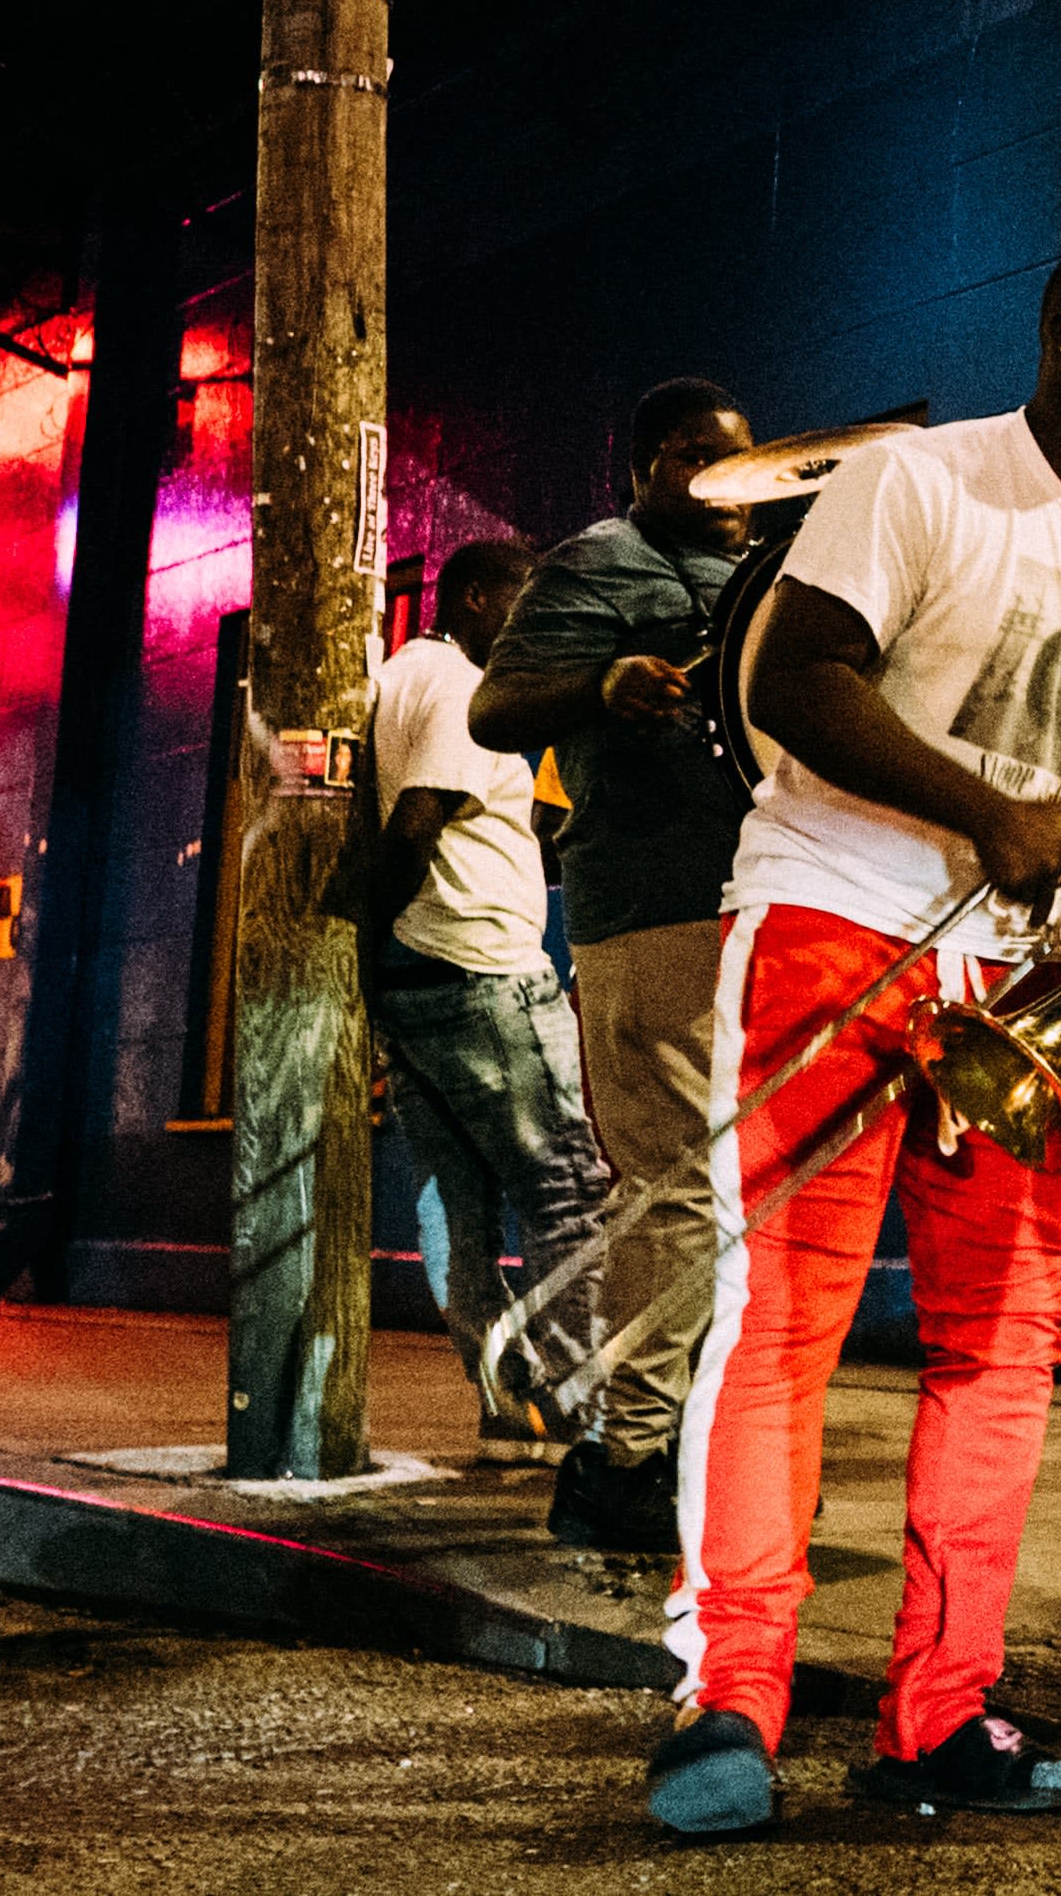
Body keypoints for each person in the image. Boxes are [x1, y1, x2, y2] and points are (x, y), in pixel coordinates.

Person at [642, 229, 1061, 1837]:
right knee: (782, 1320)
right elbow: (799, 680)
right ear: (1059, 329)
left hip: (1030, 991)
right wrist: (991, 815)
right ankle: (732, 1697)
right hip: (837, 910)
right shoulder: (920, 484)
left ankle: (940, 1711)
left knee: (1005, 1350)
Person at [469, 377, 758, 1554]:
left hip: (754, 905)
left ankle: (688, 1448)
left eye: (743, 460)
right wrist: (601, 684)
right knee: (679, 1191)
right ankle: (623, 1460)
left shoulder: (756, 573)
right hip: (646, 907)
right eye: (698, 459)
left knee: (734, 1198)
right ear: (643, 468)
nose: (728, 483)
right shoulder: (600, 562)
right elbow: (497, 707)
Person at [364, 537, 613, 1462]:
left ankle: (509, 1406)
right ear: (473, 598)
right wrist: (370, 933)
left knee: (458, 1206)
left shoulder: (401, 677)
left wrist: (373, 965)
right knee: (570, 1191)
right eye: (521, 604)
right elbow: (415, 824)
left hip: (422, 983)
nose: (532, 628)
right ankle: (589, 1417)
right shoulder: (458, 688)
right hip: (485, 975)